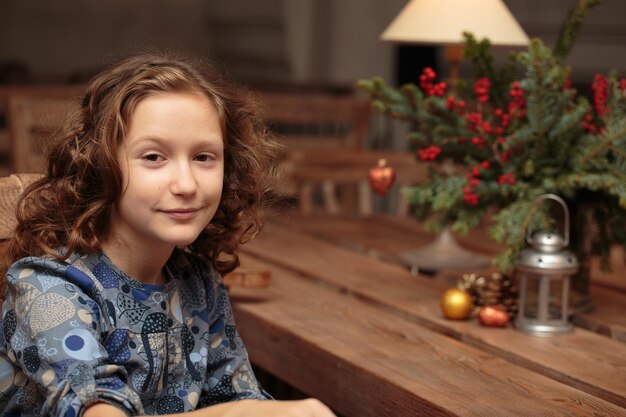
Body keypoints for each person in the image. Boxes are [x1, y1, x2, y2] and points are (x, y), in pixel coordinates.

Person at [0, 52, 336, 417]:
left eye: (204, 157)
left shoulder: (198, 283)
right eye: (154, 157)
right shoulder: (48, 286)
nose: (187, 184)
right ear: (101, 166)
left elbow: (237, 396)